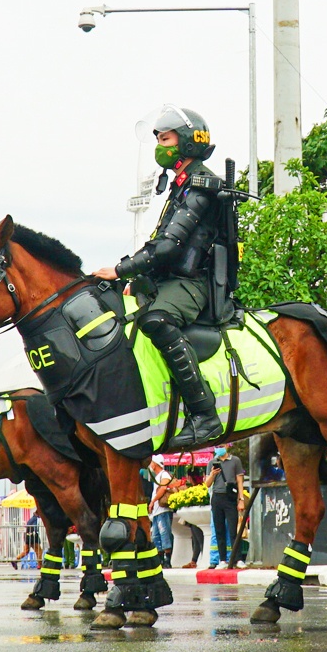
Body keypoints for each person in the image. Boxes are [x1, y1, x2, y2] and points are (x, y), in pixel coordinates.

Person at [91, 106, 231, 449]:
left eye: (164, 138)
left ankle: (204, 413)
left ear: (185, 143)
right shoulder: (181, 185)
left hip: (192, 282)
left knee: (155, 319)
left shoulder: (200, 186)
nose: (159, 145)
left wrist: (122, 268)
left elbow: (170, 246)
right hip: (169, 278)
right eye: (157, 138)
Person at [206, 447, 245, 568]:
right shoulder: (212, 462)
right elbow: (207, 483)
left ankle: (237, 559)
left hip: (230, 497)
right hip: (217, 497)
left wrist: (241, 499)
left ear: (227, 446)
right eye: (217, 446)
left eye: (222, 445)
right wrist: (212, 474)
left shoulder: (235, 460)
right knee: (219, 530)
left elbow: (240, 481)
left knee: (233, 530)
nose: (220, 448)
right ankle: (222, 559)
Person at [147, 457, 176, 568]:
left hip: (163, 510)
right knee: (156, 536)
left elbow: (163, 488)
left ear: (155, 464)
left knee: (165, 534)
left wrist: (153, 501)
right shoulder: (157, 477)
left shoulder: (164, 475)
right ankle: (160, 560)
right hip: (157, 512)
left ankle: (167, 560)